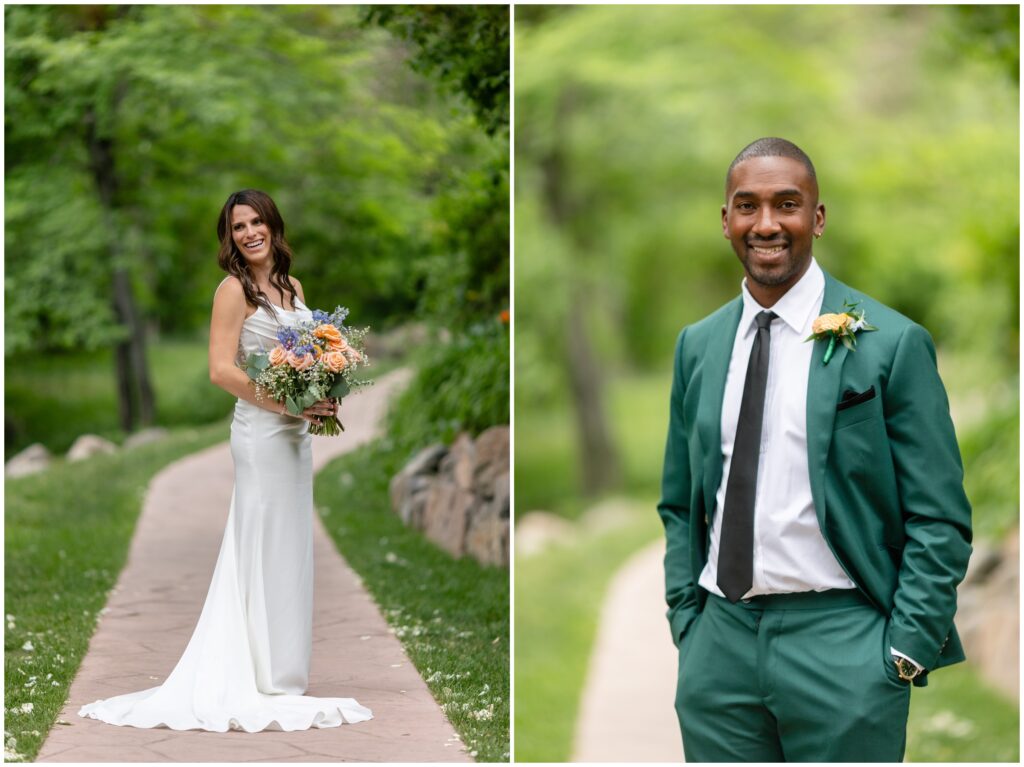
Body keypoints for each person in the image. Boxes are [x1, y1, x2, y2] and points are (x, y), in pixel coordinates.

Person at [657, 138, 972, 761]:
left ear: (817, 219)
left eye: (788, 204)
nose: (767, 224)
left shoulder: (891, 344)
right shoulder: (697, 345)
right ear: (726, 221)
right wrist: (686, 621)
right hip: (719, 645)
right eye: (747, 206)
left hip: (844, 643)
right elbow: (679, 500)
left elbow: (939, 515)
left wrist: (904, 648)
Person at [79, 189, 372, 731]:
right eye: (239, 226)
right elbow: (221, 370)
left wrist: (322, 396)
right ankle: (253, 671)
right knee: (259, 541)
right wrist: (289, 400)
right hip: (262, 435)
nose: (250, 232)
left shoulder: (292, 286)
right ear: (230, 237)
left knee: (289, 544)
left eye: (257, 221)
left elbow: (308, 357)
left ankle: (281, 673)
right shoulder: (232, 290)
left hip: (295, 438)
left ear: (273, 226)